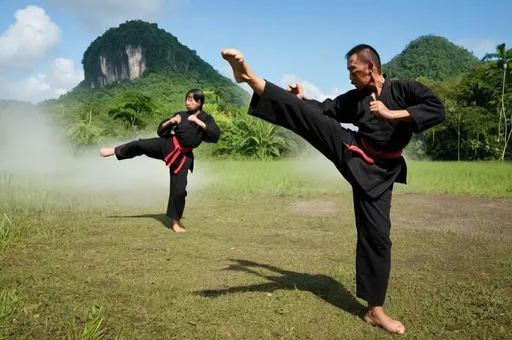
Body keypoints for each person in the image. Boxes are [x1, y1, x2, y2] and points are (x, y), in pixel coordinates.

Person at [220, 45, 445, 335]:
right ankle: (250, 77)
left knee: (377, 237)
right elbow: (325, 109)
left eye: (353, 70)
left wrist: (391, 114)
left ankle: (375, 311)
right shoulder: (356, 98)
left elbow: (436, 109)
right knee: (313, 120)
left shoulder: (404, 90)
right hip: (352, 150)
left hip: (382, 172)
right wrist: (301, 99)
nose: (350, 77)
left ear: (371, 67)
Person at [99, 89, 222, 233]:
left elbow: (215, 134)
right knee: (141, 144)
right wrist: (171, 121)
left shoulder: (206, 118)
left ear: (199, 102)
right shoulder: (180, 115)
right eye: (186, 99)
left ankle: (175, 223)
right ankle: (115, 151)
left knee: (179, 190)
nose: (187, 102)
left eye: (191, 100)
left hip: (183, 157)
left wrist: (198, 122)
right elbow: (161, 131)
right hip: (168, 145)